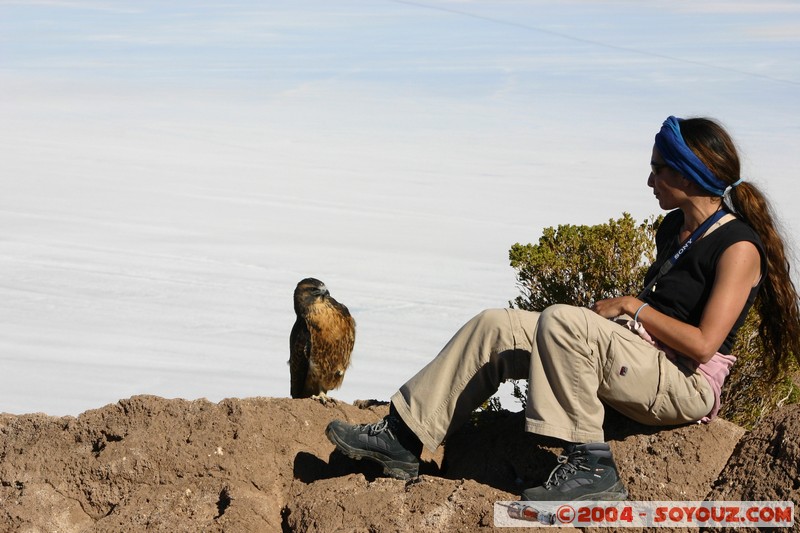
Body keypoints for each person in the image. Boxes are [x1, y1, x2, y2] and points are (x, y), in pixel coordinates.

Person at [325, 116, 800, 502]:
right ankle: (404, 436)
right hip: (643, 360)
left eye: (658, 169)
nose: (650, 180)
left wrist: (631, 308)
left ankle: (591, 468)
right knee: (497, 326)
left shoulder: (738, 246)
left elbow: (703, 343)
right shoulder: (673, 228)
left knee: (563, 321)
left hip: (685, 383)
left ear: (686, 174)